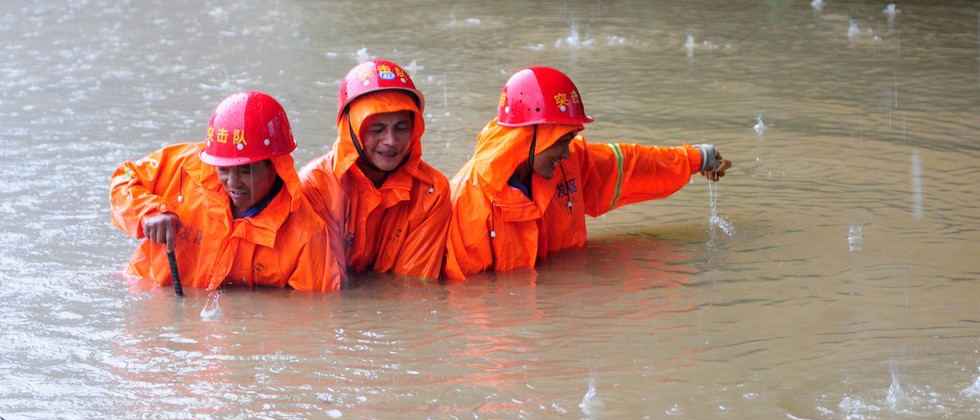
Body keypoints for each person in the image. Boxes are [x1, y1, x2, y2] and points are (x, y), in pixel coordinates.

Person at [443, 66, 733, 279]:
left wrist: (696, 158)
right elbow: (467, 298)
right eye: (562, 142)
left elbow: (631, 164)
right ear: (529, 137)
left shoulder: (569, 164)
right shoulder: (468, 205)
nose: (568, 153)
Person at [110, 90, 345, 292]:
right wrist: (148, 212)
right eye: (223, 170)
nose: (233, 183)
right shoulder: (184, 167)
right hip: (144, 290)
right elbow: (124, 177)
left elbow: (313, 315)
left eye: (245, 171)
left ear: (275, 166)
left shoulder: (306, 235)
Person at [299, 59, 451, 280]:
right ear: (350, 129)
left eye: (401, 127)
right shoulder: (315, 186)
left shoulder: (433, 191)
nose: (390, 141)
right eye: (377, 128)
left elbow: (413, 288)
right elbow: (323, 289)